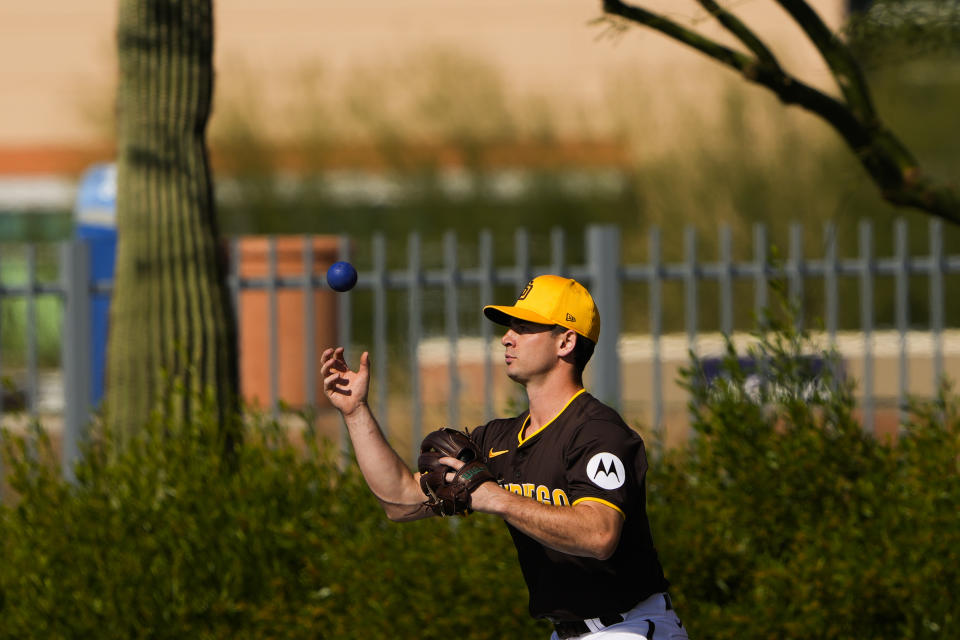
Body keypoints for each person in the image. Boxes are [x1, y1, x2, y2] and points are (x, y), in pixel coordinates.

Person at [320, 274, 688, 640]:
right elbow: (399, 500)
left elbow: (599, 535)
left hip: (629, 627)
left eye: (524, 327)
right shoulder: (499, 439)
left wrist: (497, 498)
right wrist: (355, 412)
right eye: (510, 326)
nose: (507, 337)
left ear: (566, 341)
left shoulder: (597, 432)